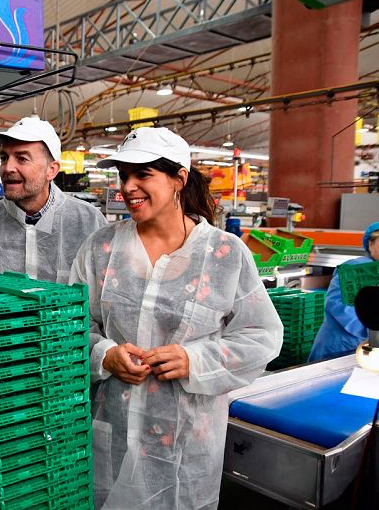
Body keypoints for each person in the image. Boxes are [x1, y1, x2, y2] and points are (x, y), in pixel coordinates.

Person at [69, 127, 282, 509]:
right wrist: (104, 355)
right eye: (123, 175)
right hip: (113, 434)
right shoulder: (100, 248)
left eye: (143, 174)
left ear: (179, 179)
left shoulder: (224, 254)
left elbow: (260, 335)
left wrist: (194, 359)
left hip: (187, 447)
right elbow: (72, 326)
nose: (128, 187)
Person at [0, 117, 107, 283]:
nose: (8, 168)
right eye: (4, 158)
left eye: (22, 158)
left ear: (51, 170)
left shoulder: (89, 222)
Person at [308, 221, 379, 361]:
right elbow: (343, 310)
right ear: (370, 244)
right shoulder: (354, 270)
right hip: (341, 347)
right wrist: (373, 331)